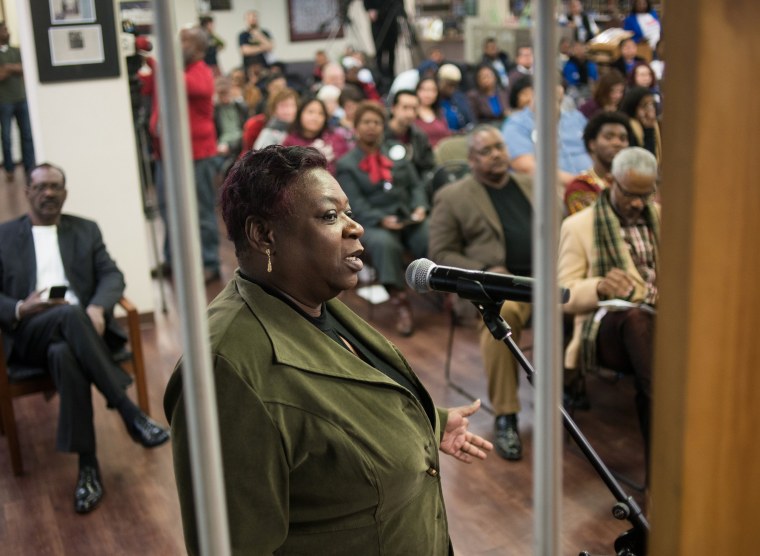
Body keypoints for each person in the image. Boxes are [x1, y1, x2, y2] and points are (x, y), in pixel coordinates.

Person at [164, 145, 492, 554]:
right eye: (330, 216)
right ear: (264, 235)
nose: (356, 228)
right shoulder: (224, 371)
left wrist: (429, 423)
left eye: (349, 212)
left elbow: (332, 412)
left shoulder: (318, 302)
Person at [0, 163, 169, 514]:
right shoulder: (4, 235)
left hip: (79, 334)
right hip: (28, 334)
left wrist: (95, 307)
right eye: (41, 187)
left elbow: (112, 275)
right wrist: (19, 306)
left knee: (65, 352)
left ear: (65, 193)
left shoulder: (85, 229)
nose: (48, 193)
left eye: (55, 187)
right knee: (66, 314)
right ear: (29, 192)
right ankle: (129, 412)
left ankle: (88, 468)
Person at [429, 125, 535, 461]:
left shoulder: (531, 184)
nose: (497, 155)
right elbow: (441, 253)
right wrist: (487, 273)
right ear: (472, 160)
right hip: (502, 289)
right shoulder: (454, 196)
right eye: (487, 151)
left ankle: (572, 387)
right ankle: (506, 415)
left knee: (584, 304)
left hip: (548, 281)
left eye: (500, 147)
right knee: (501, 321)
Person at [558, 146, 660, 461]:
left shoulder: (661, 216)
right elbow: (564, 294)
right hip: (608, 327)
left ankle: (664, 458)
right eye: (629, 193)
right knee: (635, 320)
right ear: (611, 182)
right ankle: (664, 459)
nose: (636, 203)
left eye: (645, 195)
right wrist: (599, 286)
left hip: (663, 318)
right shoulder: (579, 226)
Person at [337, 101, 429, 336]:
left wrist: (419, 206)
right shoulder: (347, 163)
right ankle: (400, 303)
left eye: (377, 122)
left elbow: (416, 184)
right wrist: (381, 219)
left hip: (406, 216)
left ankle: (442, 288)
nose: (372, 127)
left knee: (429, 233)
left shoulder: (395, 150)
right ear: (356, 127)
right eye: (366, 122)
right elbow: (354, 204)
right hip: (371, 222)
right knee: (384, 243)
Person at [147, 27, 220, 282]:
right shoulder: (171, 70)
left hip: (196, 155)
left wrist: (157, 59)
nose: (178, 44)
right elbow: (148, 85)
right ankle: (172, 259)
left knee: (200, 210)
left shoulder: (201, 72)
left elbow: (185, 85)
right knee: (167, 208)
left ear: (199, 48)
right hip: (165, 153)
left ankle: (210, 262)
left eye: (184, 40)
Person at [501, 84, 591, 186]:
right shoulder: (517, 123)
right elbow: (525, 167)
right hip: (550, 190)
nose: (553, 86)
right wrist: (579, 183)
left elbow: (596, 151)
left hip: (592, 187)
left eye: (556, 81)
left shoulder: (576, 117)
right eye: (548, 80)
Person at [565, 111, 632, 215]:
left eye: (623, 138)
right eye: (609, 137)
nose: (617, 143)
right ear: (592, 144)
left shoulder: (635, 183)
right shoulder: (580, 188)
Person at [0, 21, 35, 182]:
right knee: (6, 137)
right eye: (4, 30)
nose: (7, 33)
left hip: (21, 98)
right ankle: (9, 169)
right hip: (4, 101)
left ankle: (30, 168)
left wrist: (7, 68)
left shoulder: (16, 51)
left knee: (27, 134)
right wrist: (12, 68)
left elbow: (26, 68)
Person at [282, 98, 349, 176]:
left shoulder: (336, 139)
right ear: (300, 114)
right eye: (310, 112)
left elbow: (344, 169)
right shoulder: (290, 142)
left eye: (321, 113)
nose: (315, 117)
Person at [383, 89, 436, 184]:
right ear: (393, 108)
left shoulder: (420, 136)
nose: (410, 114)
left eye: (414, 109)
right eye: (405, 108)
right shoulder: (380, 134)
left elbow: (427, 167)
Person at [364, 0, 405, 90]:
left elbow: (399, 3)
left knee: (391, 50)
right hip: (378, 21)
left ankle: (391, 75)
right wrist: (370, 9)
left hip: (391, 19)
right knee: (379, 50)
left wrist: (402, 15)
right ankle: (380, 78)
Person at [621, 86, 661, 164]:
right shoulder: (627, 127)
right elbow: (646, 162)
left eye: (652, 105)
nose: (650, 110)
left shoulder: (654, 124)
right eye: (644, 106)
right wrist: (648, 130)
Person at [414, 77, 452, 148]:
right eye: (424, 89)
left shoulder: (440, 113)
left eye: (433, 90)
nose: (429, 94)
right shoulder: (412, 113)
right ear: (417, 91)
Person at [437, 64, 474, 133]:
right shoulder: (434, 101)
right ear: (440, 82)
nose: (452, 88)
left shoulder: (460, 98)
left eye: (454, 85)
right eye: (449, 84)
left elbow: (471, 121)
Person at [238, 10, 273, 75]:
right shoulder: (243, 35)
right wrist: (263, 47)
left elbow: (270, 47)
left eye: (254, 17)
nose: (253, 20)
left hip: (264, 66)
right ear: (246, 20)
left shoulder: (265, 33)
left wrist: (259, 36)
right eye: (250, 18)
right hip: (249, 67)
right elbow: (245, 51)